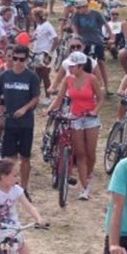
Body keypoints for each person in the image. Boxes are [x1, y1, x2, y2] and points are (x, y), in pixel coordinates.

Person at [49, 51, 103, 200]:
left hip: (90, 118)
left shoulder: (91, 79)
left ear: (80, 66)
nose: (70, 69)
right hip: (75, 117)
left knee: (90, 153)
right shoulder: (68, 80)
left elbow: (100, 98)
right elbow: (60, 98)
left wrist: (94, 111)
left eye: (73, 66)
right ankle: (84, 185)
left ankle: (88, 175)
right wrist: (49, 110)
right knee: (80, 153)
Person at [0, 44, 42, 191]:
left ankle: (24, 187)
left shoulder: (32, 77)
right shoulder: (5, 76)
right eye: (15, 59)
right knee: (9, 157)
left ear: (26, 60)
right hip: (10, 122)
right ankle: (9, 185)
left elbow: (36, 98)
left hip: (26, 123)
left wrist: (25, 109)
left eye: (21, 59)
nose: (18, 62)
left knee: (25, 157)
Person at [70, 0, 112, 91]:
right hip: (83, 42)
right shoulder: (76, 15)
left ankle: (106, 87)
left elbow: (106, 25)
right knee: (82, 63)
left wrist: (111, 37)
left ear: (85, 7)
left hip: (97, 40)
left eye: (79, 8)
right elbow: (74, 25)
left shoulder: (96, 14)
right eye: (77, 8)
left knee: (101, 62)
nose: (77, 10)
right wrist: (76, 34)